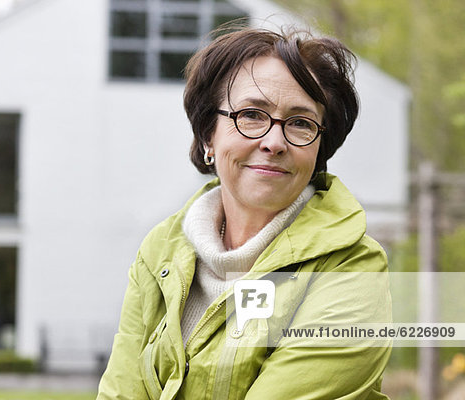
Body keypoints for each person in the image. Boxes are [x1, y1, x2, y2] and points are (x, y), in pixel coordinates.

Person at [97, 26, 392, 399]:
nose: (274, 142)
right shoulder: (160, 251)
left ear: (320, 147)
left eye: (301, 123)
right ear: (208, 134)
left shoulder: (352, 269)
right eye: (252, 115)